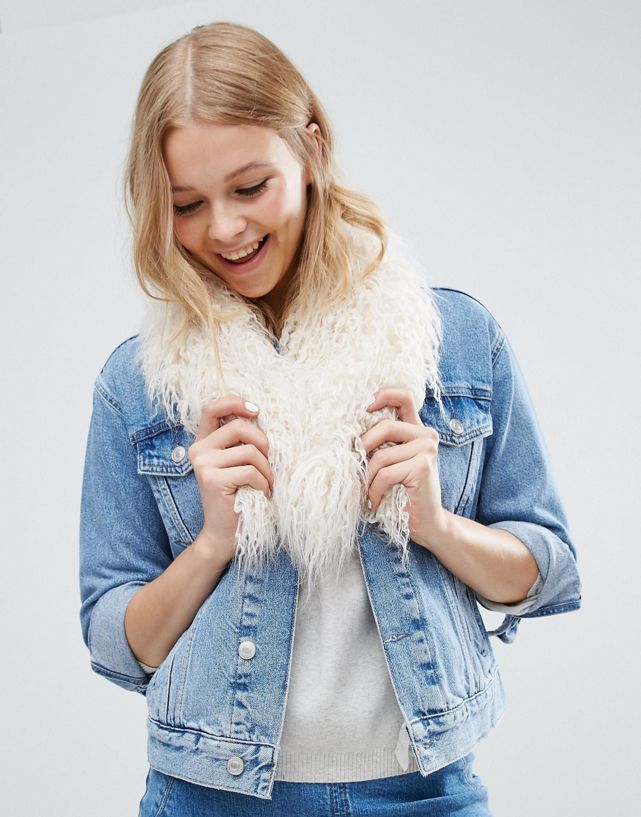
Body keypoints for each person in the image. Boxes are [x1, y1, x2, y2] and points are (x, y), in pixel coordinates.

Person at [78, 20, 582, 817]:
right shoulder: (138, 386)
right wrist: (211, 543)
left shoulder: (451, 342)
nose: (224, 228)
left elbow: (544, 568)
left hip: (423, 793)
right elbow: (117, 640)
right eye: (187, 204)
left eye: (250, 187)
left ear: (309, 148)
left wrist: (435, 525)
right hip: (211, 798)